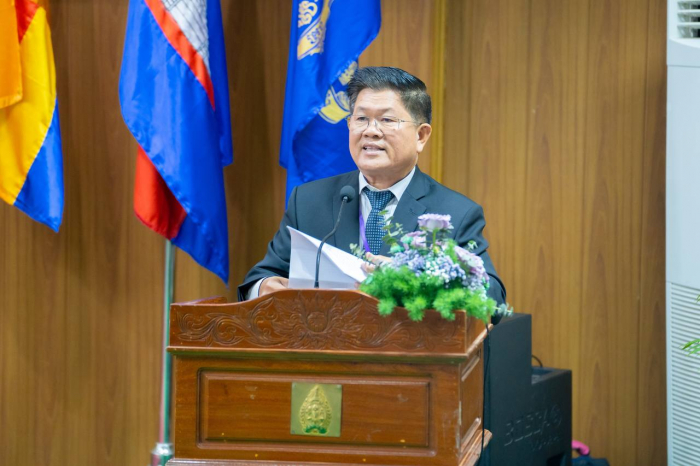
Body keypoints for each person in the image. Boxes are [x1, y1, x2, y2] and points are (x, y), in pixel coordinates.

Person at [237, 66, 505, 304]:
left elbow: (491, 296)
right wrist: (264, 288)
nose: (371, 131)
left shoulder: (454, 213)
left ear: (421, 135)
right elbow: (261, 277)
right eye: (361, 119)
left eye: (387, 120)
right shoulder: (308, 201)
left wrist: (418, 283)